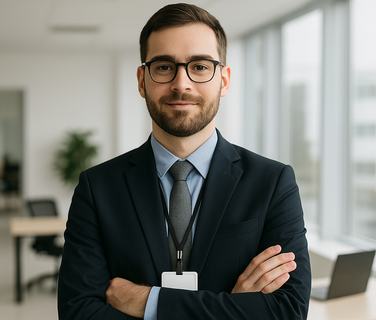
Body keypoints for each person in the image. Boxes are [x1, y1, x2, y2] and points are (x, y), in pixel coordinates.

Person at [58, 3, 311, 319]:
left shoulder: (273, 183)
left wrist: (149, 302)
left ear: (224, 80)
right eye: (164, 67)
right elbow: (78, 312)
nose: (181, 83)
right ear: (141, 80)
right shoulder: (97, 188)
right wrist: (232, 306)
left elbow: (288, 311)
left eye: (200, 66)